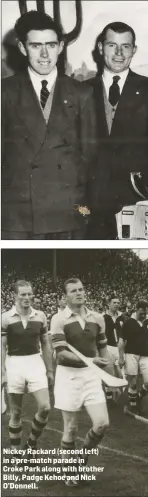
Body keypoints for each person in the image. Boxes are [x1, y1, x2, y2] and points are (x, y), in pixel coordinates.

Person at [2, 10, 96, 240]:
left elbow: (90, 156)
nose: (45, 54)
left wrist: (82, 206)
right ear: (23, 48)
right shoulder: (4, 92)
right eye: (35, 46)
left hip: (67, 211)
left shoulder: (82, 93)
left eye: (51, 45)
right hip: (18, 214)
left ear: (61, 46)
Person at [87, 21, 148, 239]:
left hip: (136, 202)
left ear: (134, 50)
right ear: (101, 47)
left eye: (126, 46)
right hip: (89, 206)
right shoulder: (80, 91)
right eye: (112, 45)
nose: (119, 53)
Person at [50, 278, 114, 486]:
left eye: (81, 289)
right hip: (68, 376)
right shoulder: (59, 319)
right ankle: (70, 474)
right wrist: (91, 360)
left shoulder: (97, 318)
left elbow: (103, 349)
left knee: (102, 423)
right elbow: (60, 356)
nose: (79, 293)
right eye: (73, 291)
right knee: (70, 428)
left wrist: (113, 378)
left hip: (91, 375)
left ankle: (81, 458)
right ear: (65, 296)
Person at [2, 280, 53, 451]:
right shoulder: (6, 317)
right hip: (14, 362)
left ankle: (31, 444)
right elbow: (1, 346)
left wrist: (50, 370)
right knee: (16, 412)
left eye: (29, 294)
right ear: (15, 295)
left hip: (35, 362)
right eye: (23, 294)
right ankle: (16, 454)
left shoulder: (40, 315)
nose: (27, 297)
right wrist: (2, 372)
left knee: (45, 407)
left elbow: (45, 343)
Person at [118, 300, 148, 415]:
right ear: (136, 311)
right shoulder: (128, 322)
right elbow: (121, 341)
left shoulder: (146, 321)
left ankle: (139, 396)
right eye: (141, 313)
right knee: (133, 382)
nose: (143, 315)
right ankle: (133, 406)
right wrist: (121, 357)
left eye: (145, 313)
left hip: (145, 355)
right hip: (131, 354)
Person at [103, 296, 122, 400]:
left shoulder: (122, 317)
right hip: (108, 347)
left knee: (120, 375)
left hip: (119, 348)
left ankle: (117, 393)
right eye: (114, 302)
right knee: (108, 372)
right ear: (109, 304)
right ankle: (109, 395)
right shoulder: (103, 317)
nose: (116, 304)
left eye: (118, 302)